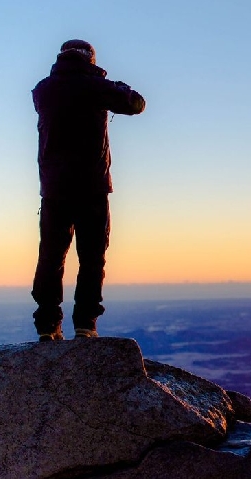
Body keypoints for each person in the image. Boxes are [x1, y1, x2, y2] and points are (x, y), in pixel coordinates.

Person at [31, 39, 145, 341]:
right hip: (91, 187)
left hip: (53, 188)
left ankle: (47, 325)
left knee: (51, 257)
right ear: (90, 60)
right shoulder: (95, 87)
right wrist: (110, 83)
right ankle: (85, 325)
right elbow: (136, 103)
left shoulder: (43, 89)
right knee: (92, 257)